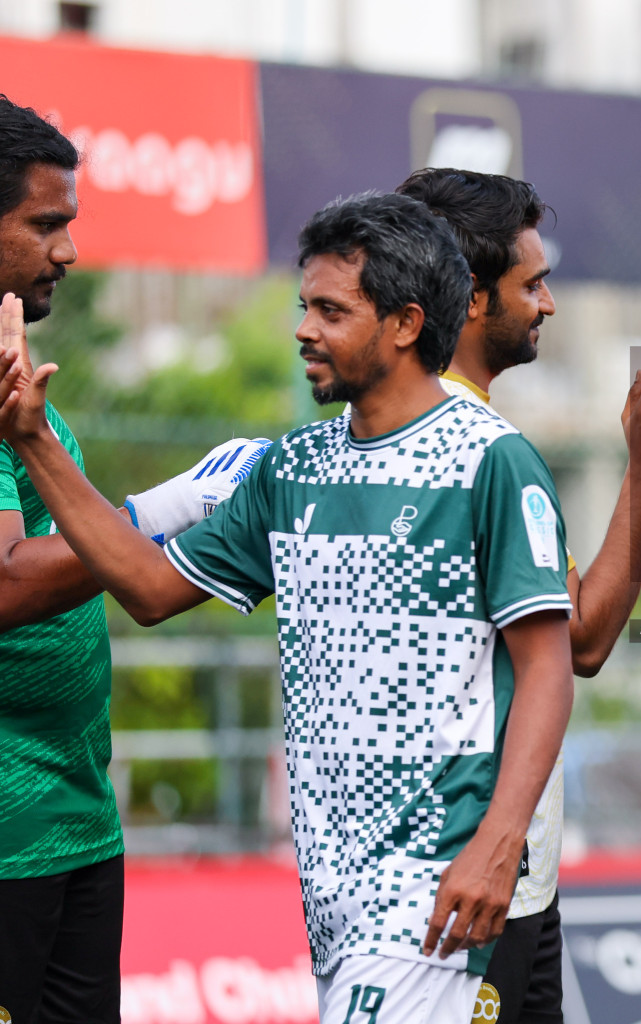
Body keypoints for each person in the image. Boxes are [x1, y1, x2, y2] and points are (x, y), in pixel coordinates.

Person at [0, 191, 577, 1024]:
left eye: (331, 311)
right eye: (304, 305)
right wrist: (33, 441)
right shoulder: (294, 466)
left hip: (435, 882)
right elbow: (149, 588)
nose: (304, 329)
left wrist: (497, 846)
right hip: (330, 890)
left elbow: (549, 670)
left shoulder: (491, 461)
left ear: (406, 323)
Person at [396, 167, 641, 1024]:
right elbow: (587, 644)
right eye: (533, 284)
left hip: (504, 872)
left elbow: (576, 640)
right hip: (475, 873)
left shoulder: (451, 436)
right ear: (467, 296)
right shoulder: (476, 450)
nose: (550, 305)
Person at [0, 95, 265, 1022]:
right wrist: (166, 509)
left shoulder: (16, 364)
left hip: (76, 818)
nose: (67, 251)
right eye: (45, 224)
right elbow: (0, 585)